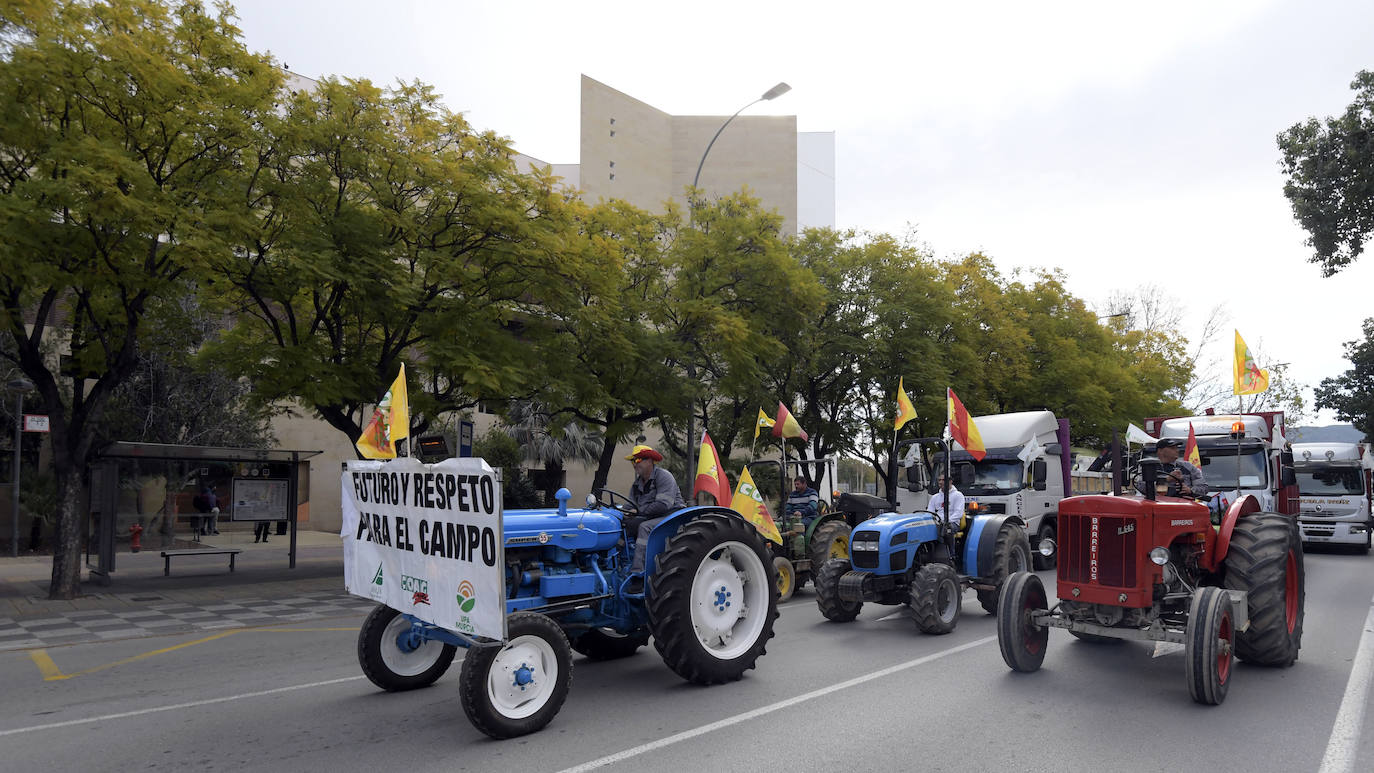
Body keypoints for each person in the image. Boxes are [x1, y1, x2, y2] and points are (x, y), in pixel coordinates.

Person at [624, 444, 685, 584]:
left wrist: (638, 512)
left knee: (645, 527)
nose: (635, 464)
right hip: (651, 517)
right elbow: (629, 505)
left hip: (672, 516)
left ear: (650, 460)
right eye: (633, 461)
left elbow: (664, 505)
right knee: (621, 526)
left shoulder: (664, 476)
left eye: (638, 460)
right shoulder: (636, 484)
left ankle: (638, 575)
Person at [1136, 437, 1207, 499]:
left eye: (1177, 448)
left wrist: (1190, 490)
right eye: (1172, 448)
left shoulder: (1188, 466)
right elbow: (1140, 487)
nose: (1177, 450)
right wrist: (1165, 480)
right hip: (1158, 507)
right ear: (1160, 451)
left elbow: (1204, 487)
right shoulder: (1149, 467)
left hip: (1184, 507)